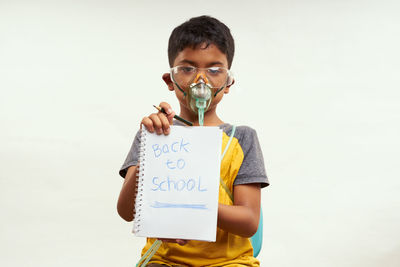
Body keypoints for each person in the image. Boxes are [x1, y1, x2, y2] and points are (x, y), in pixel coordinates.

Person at [117, 15, 269, 267]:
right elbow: (126, 212)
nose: (201, 81)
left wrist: (191, 204)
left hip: (229, 262)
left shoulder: (242, 138)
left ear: (228, 82)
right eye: (187, 69)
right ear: (170, 80)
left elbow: (248, 222)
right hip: (165, 260)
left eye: (214, 70)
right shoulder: (154, 133)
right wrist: (152, 150)